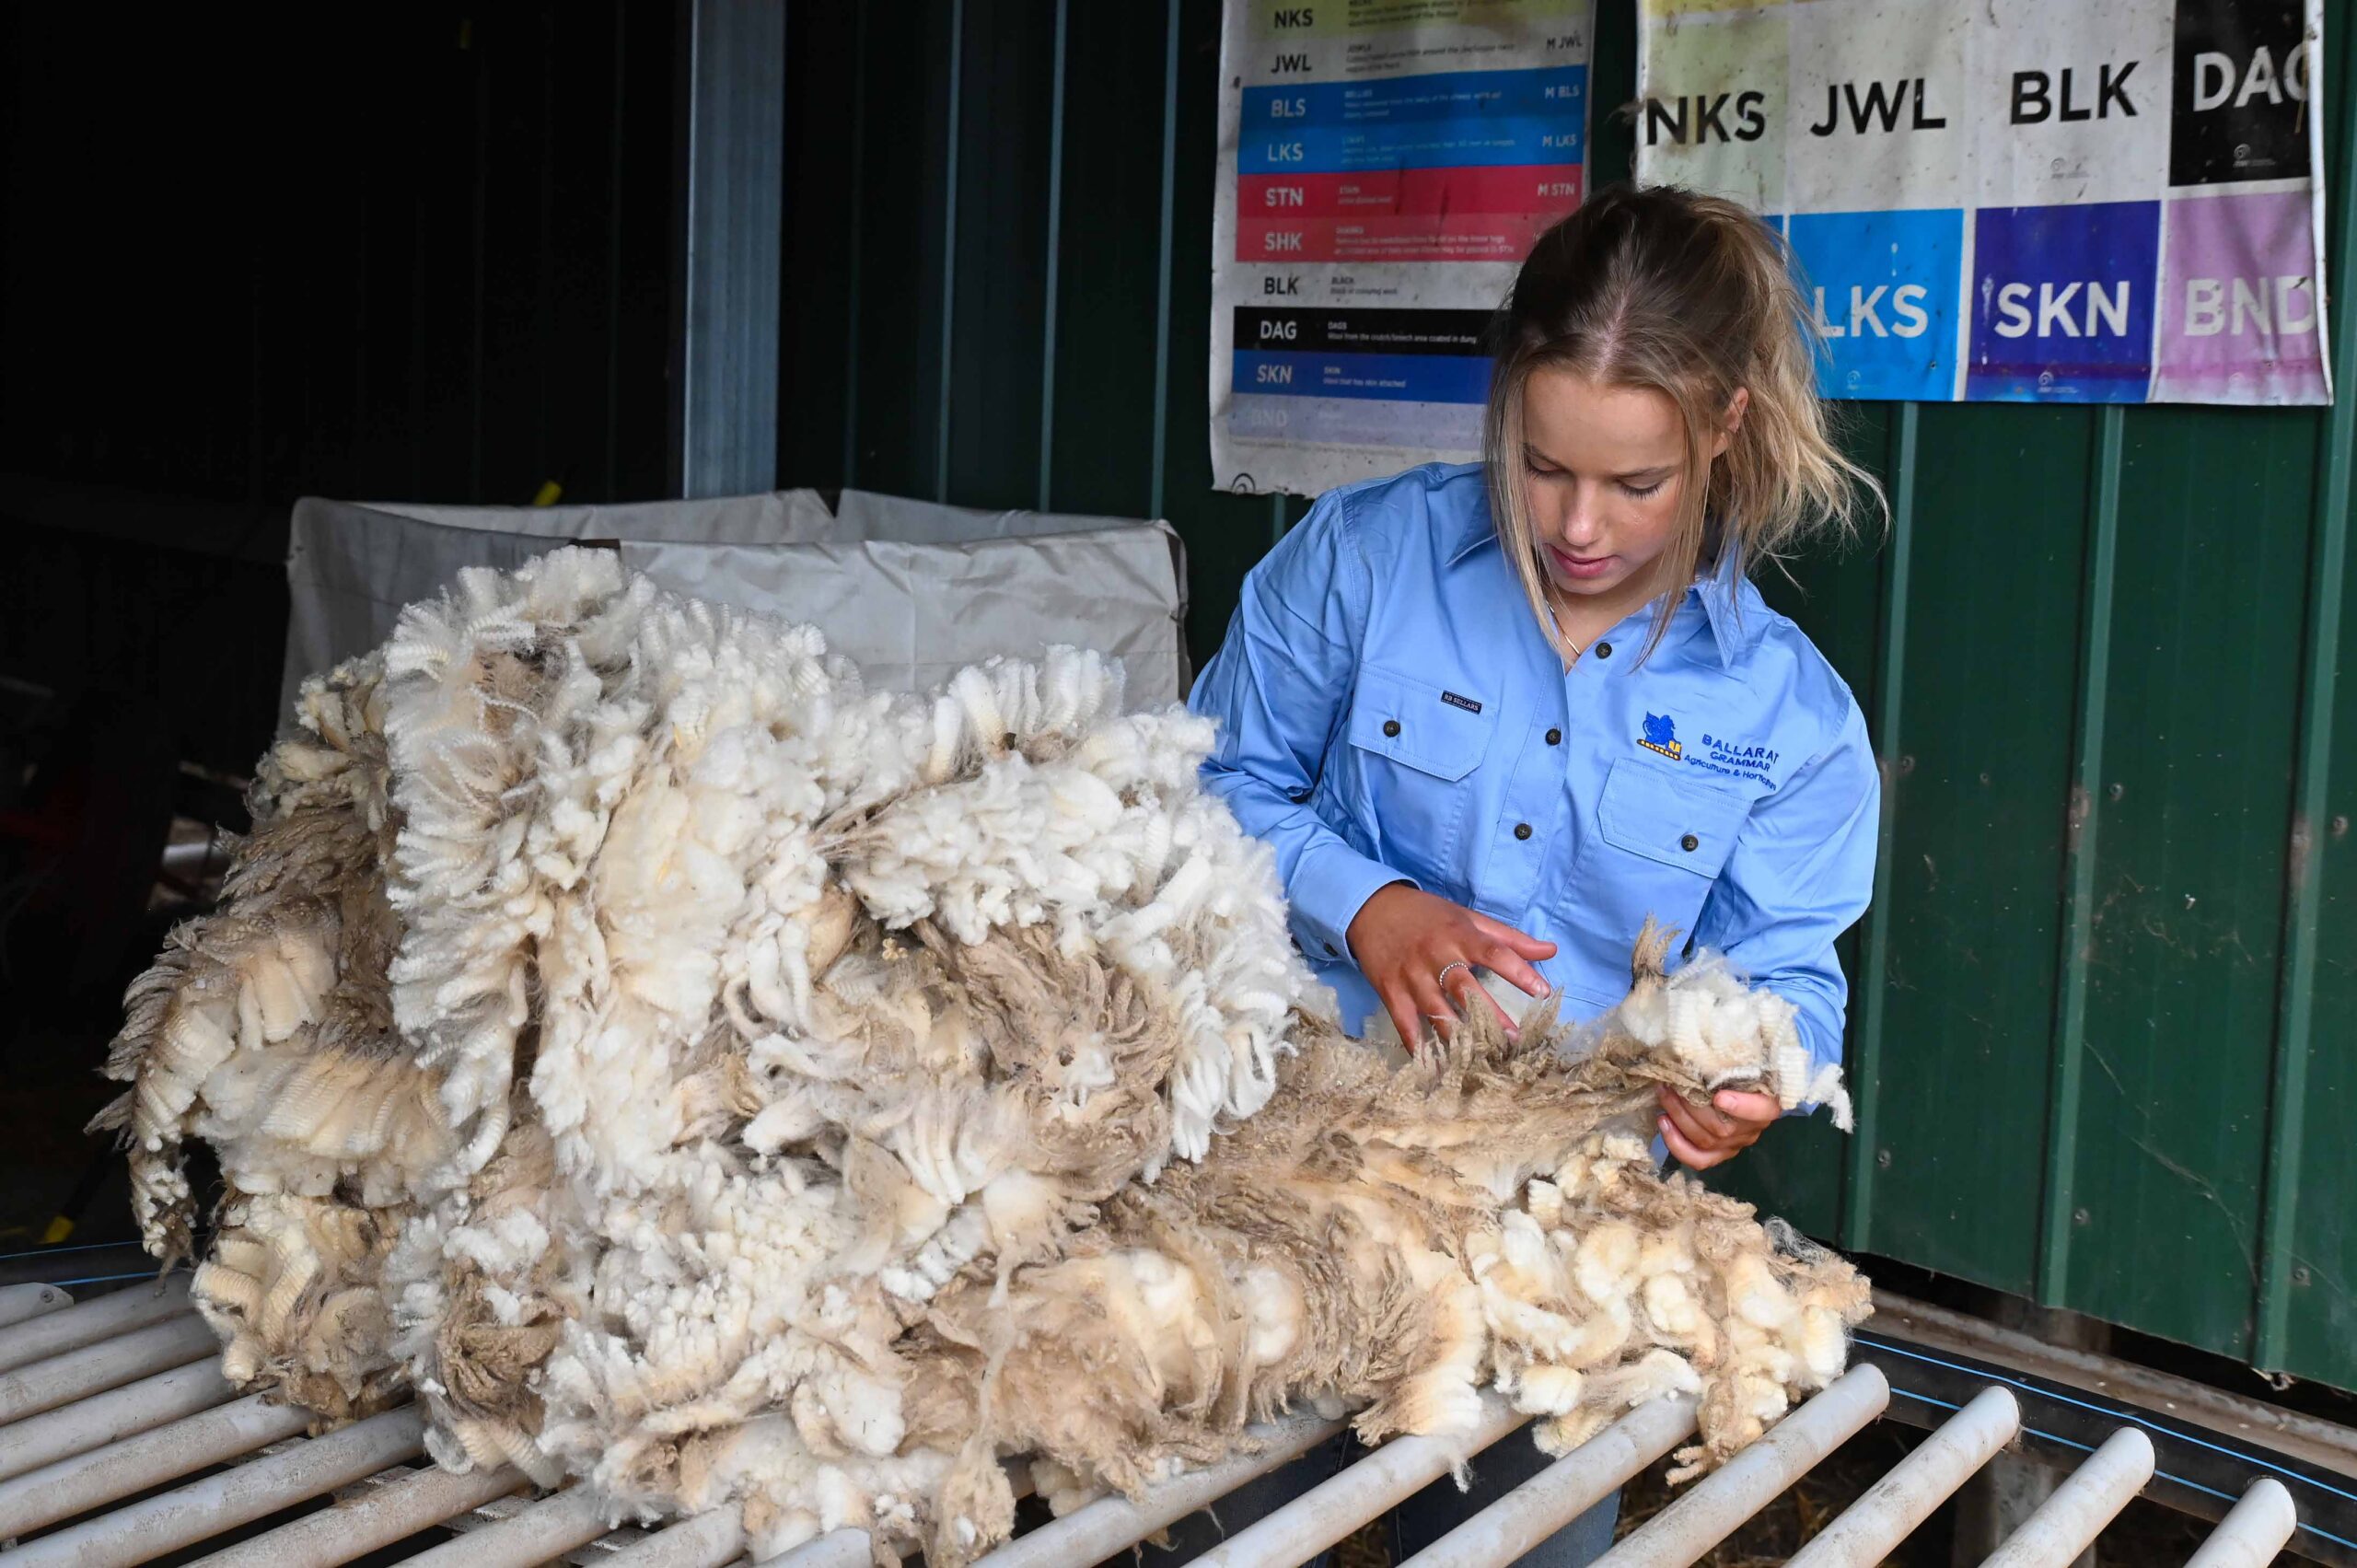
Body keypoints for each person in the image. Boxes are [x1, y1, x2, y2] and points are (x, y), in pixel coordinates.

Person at [1179, 183, 1885, 1565]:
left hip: (1549, 1245)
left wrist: (1758, 1075)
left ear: (1724, 429)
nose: (1574, 523)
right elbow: (1194, 786)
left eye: (1636, 483)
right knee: (1232, 1533)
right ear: (1508, 399)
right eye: (1543, 462)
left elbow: (1791, 968)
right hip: (1282, 1176)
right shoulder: (1362, 563)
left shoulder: (1788, 721)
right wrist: (1366, 904)